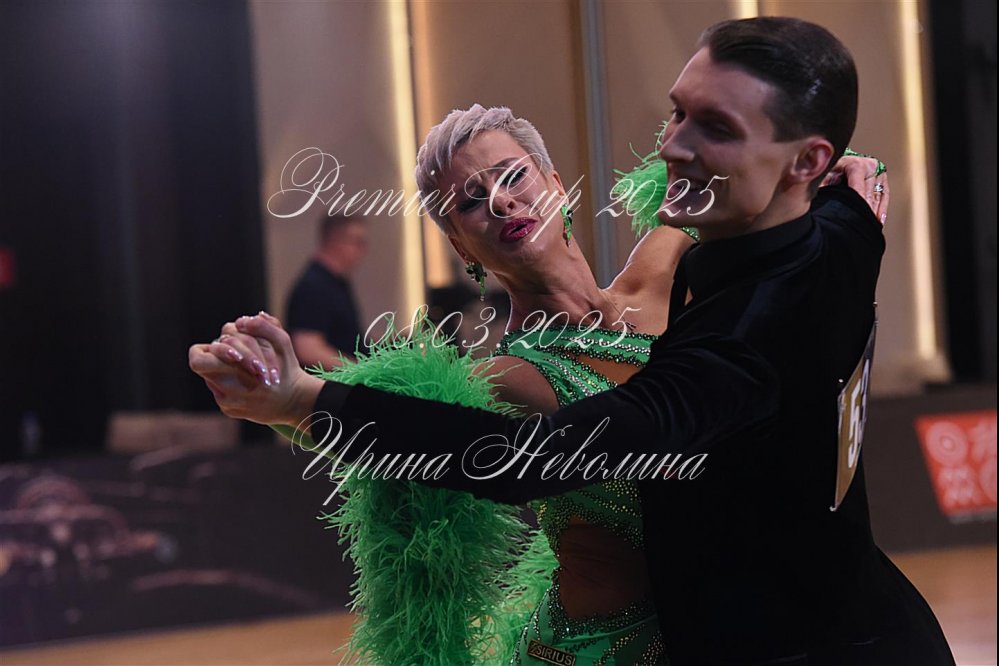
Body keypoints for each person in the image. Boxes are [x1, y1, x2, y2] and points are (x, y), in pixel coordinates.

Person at [189, 17, 950, 664]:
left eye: (513, 176)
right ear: (455, 244)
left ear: (556, 182)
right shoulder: (841, 234)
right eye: (470, 201)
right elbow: (449, 438)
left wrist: (300, 400)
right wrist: (294, 402)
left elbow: (530, 459)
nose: (675, 146)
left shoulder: (720, 335)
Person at [285, 213, 368, 368]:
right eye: (358, 242)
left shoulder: (336, 282)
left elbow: (345, 338)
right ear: (336, 241)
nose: (364, 250)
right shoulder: (313, 286)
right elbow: (308, 350)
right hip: (328, 382)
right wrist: (362, 371)